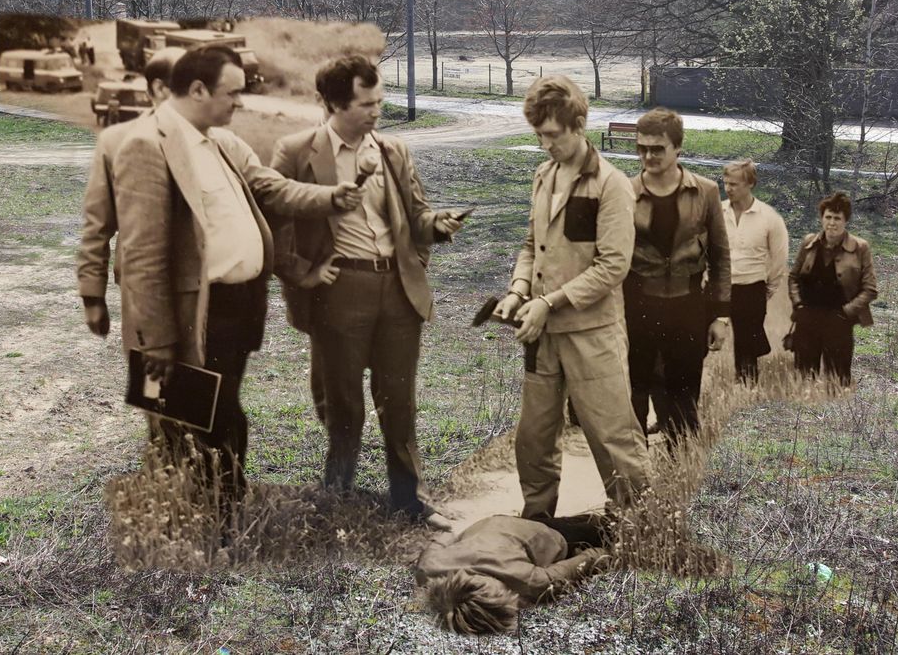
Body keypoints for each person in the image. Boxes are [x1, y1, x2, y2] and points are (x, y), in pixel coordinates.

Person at [113, 45, 362, 511]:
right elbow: (140, 256)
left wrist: (331, 197)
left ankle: (221, 504)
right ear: (198, 90)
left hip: (238, 306)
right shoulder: (147, 148)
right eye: (232, 93)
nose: (241, 102)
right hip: (193, 312)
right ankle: (208, 517)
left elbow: (270, 186)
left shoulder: (223, 141)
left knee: (220, 412)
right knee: (194, 417)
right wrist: (158, 342)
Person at [270, 54, 462, 530]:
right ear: (334, 103)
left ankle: (408, 499)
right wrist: (301, 273)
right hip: (340, 290)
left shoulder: (394, 150)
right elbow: (273, 225)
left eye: (380, 101)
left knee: (400, 401)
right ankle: (337, 495)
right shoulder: (296, 152)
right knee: (342, 403)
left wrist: (436, 226)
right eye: (366, 103)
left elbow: (417, 213)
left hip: (397, 290)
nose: (377, 111)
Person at [493, 75, 650, 521]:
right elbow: (531, 245)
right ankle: (537, 522)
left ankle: (636, 524)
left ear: (578, 126)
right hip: (541, 335)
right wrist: (519, 291)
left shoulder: (611, 185)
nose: (545, 144)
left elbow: (613, 266)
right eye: (538, 135)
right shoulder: (544, 175)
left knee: (613, 435)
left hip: (591, 334)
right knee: (534, 437)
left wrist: (549, 302)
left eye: (553, 135)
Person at [625, 107, 730, 447]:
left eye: (658, 148)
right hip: (636, 306)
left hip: (687, 308)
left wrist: (719, 315)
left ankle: (678, 472)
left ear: (677, 149)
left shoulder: (706, 192)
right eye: (642, 148)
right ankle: (630, 479)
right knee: (634, 394)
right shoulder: (624, 193)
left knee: (684, 396)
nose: (648, 156)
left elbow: (720, 256)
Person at [77, 47, 186, 339]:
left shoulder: (212, 139)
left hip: (205, 281)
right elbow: (97, 225)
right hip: (143, 283)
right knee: (151, 373)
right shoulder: (117, 142)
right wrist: (92, 295)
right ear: (159, 89)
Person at [416, 514, 610, 634]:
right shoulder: (428, 568)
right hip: (490, 523)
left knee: (601, 529)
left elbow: (592, 557)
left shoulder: (532, 581)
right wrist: (461, 545)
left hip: (545, 533)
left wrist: (614, 554)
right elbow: (445, 536)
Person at [788, 191, 877, 384]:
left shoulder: (860, 247)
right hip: (807, 319)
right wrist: (798, 304)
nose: (832, 223)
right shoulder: (809, 243)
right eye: (828, 217)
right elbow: (794, 277)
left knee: (838, 380)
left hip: (839, 321)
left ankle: (833, 412)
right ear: (821, 218)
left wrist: (846, 312)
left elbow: (870, 288)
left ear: (846, 221)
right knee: (803, 376)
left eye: (837, 218)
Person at [721, 159, 789, 382]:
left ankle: (746, 387)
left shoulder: (768, 217)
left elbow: (779, 258)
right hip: (719, 286)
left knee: (746, 345)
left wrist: (767, 289)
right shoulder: (717, 213)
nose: (729, 188)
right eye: (726, 183)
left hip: (751, 288)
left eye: (735, 184)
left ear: (750, 184)